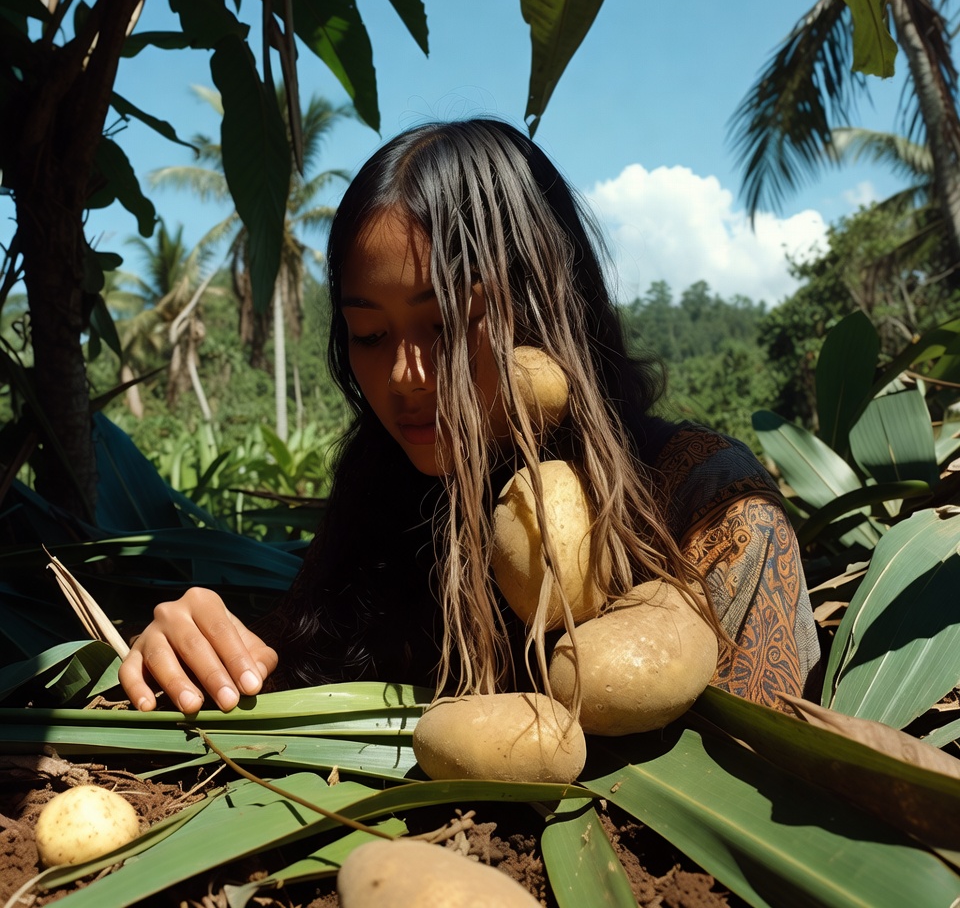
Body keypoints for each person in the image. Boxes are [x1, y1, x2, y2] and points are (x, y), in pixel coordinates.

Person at [118, 118, 821, 716]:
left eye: (449, 327)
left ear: (549, 311)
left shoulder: (711, 515)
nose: (404, 376)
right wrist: (199, 658)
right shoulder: (382, 495)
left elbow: (752, 793)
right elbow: (306, 693)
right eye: (369, 336)